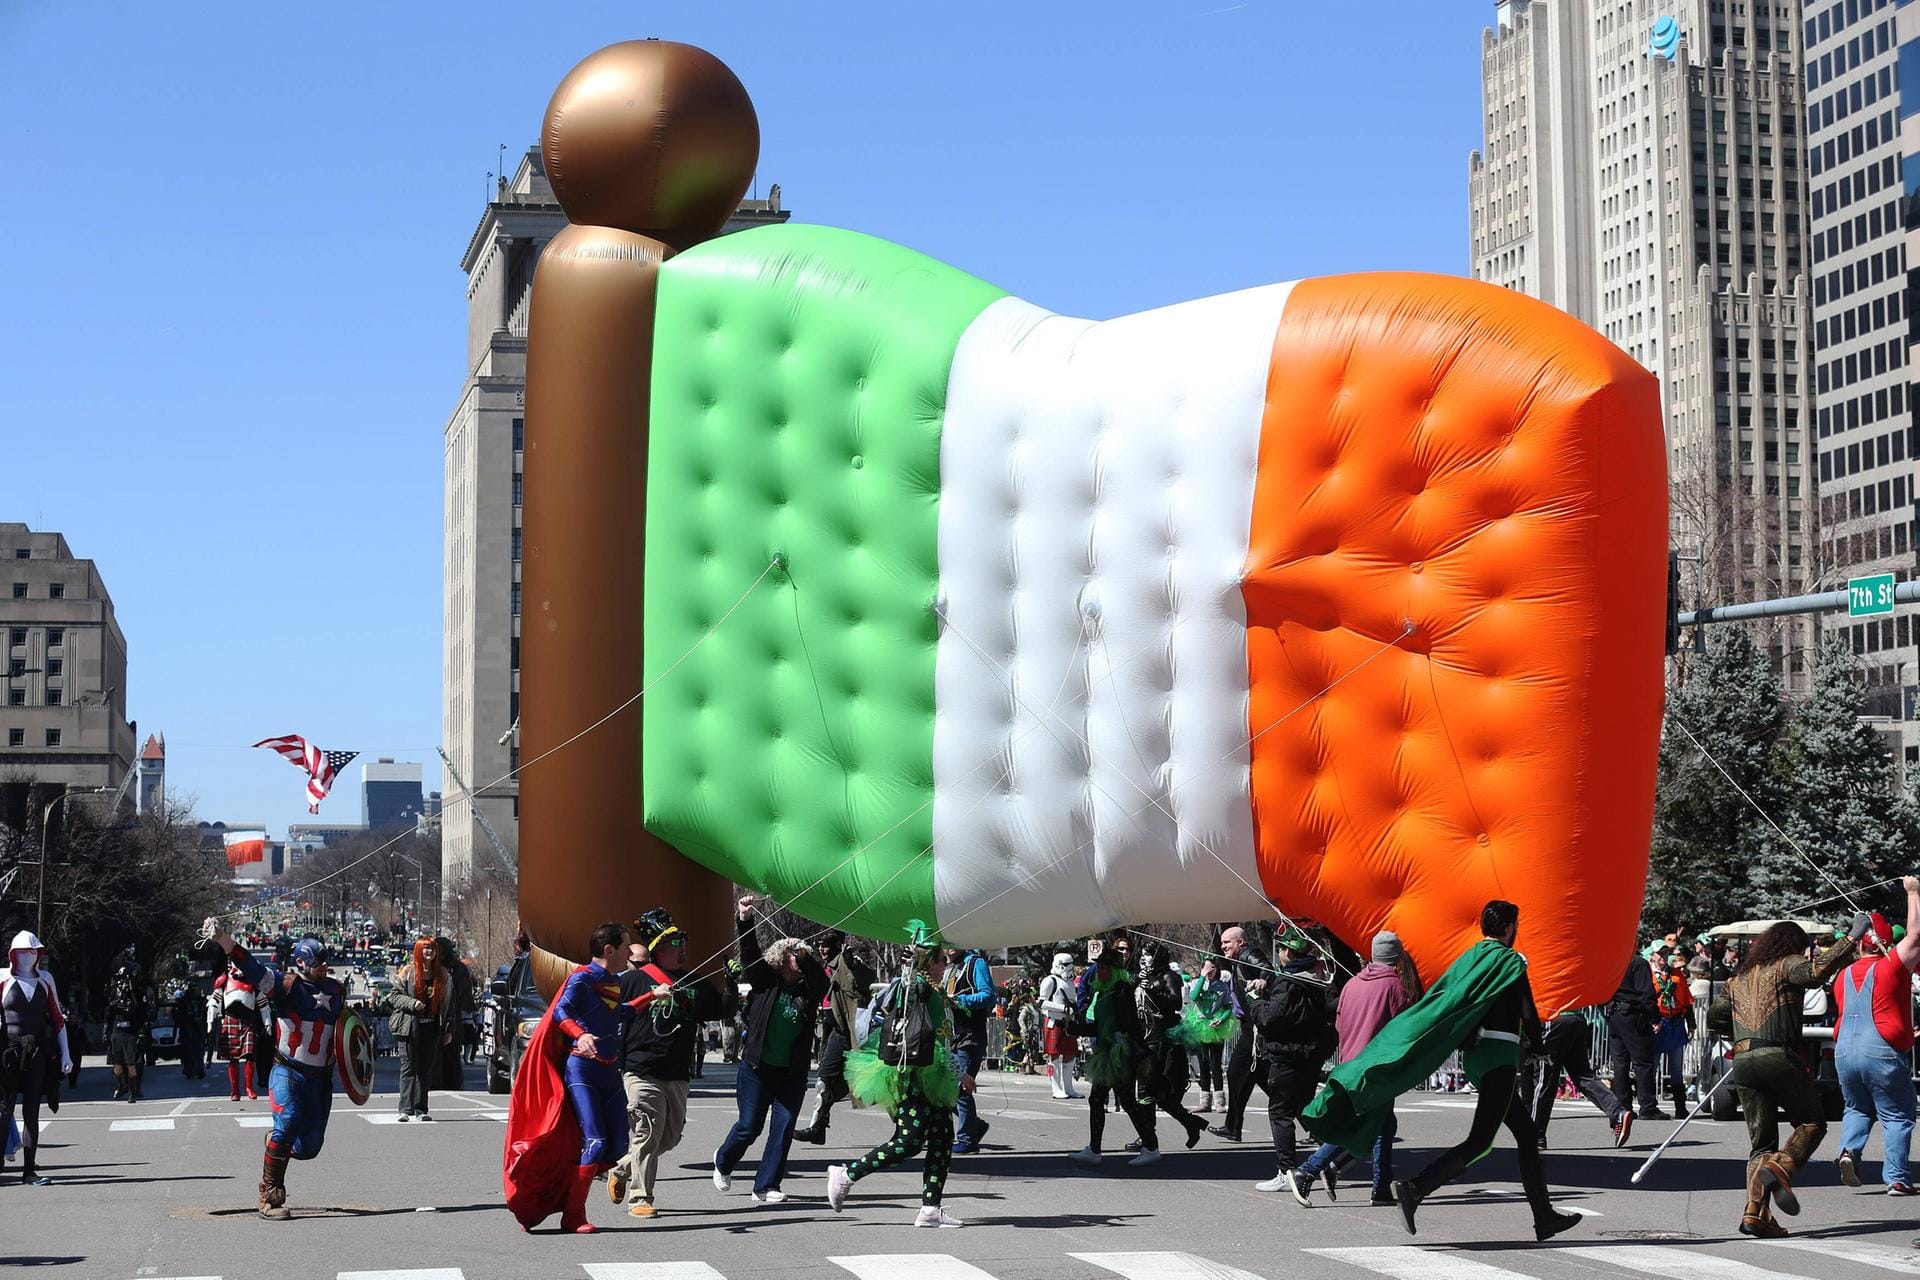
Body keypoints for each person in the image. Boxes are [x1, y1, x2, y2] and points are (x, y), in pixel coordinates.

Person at [1306, 900, 1579, 1242]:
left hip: (1479, 1057)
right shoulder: (1511, 961)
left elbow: (1452, 1001)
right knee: (1480, 1143)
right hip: (1500, 1058)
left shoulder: (1469, 959)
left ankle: (1544, 1216)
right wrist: (1539, 1049)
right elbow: (1527, 1011)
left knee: (1525, 1135)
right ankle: (1415, 1189)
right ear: (1510, 927)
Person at [1707, 913, 1869, 1238]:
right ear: (1793, 945)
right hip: (1777, 1056)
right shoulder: (1787, 964)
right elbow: (1815, 972)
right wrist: (1853, 936)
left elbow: (1713, 1018)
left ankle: (1755, 1214)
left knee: (1760, 1144)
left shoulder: (1738, 978)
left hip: (1743, 1060)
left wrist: (1740, 1032)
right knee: (1811, 1123)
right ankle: (1780, 1167)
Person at [503, 921, 665, 1233]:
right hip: (582, 1069)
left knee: (617, 1145)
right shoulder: (582, 978)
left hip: (608, 1068)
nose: (630, 953)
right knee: (596, 1140)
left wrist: (651, 997)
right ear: (609, 950)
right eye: (626, 947)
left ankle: (568, 1190)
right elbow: (561, 1011)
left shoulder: (611, 980)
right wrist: (581, 1036)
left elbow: (619, 1013)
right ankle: (574, 1215)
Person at [201, 921, 349, 1220]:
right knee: (288, 1121)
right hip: (289, 1071)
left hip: (320, 1079)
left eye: (325, 963)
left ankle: (276, 1145)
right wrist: (223, 939)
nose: (323, 967)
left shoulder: (335, 990)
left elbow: (349, 1033)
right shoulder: (285, 986)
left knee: (310, 1147)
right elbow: (253, 967)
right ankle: (270, 1193)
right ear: (301, 962)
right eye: (317, 963)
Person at [827, 929, 972, 1227]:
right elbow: (907, 996)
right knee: (909, 1141)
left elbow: (942, 1041)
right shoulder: (919, 983)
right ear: (929, 962)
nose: (946, 964)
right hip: (913, 1075)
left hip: (936, 1074)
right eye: (942, 960)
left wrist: (958, 1072)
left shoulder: (936, 987)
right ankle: (847, 1174)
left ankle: (931, 1208)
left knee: (943, 1139)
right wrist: (909, 966)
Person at [607, 908, 729, 1219]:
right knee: (647, 1134)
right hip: (641, 1069)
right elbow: (610, 1014)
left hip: (677, 1072)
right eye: (676, 944)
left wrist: (731, 981)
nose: (684, 949)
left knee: (670, 1137)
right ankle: (640, 1198)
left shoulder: (695, 982)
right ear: (659, 948)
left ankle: (621, 1169)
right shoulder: (633, 980)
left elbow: (721, 1011)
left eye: (684, 943)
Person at [1285, 930, 1417, 1207]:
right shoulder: (1393, 987)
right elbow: (1404, 1028)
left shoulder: (1354, 983)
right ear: (1396, 956)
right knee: (1361, 1124)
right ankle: (1307, 1170)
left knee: (1383, 1125)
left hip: (1349, 1063)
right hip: (1375, 1067)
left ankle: (1380, 1187)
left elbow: (1340, 1023)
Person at [713, 895, 829, 1203]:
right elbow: (750, 953)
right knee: (749, 1127)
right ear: (781, 958)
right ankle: (723, 1160)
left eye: (801, 955)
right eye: (793, 954)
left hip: (791, 1073)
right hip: (757, 1069)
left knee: (783, 1128)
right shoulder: (765, 982)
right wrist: (745, 918)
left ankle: (765, 1186)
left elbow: (821, 983)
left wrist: (805, 955)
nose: (798, 958)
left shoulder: (808, 990)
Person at [1832, 880, 1920, 1196]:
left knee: (1857, 1108)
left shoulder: (1842, 975)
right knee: (1897, 1114)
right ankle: (1896, 1178)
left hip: (1844, 1051)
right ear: (1883, 943)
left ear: (1860, 945)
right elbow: (1916, 935)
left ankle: (1848, 1151)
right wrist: (1912, 893)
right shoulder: (1891, 967)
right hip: (1880, 1050)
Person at [1247, 929, 1336, 1190]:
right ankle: (1328, 1158)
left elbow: (1270, 1020)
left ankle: (1286, 1171)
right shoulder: (1319, 980)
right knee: (1303, 1107)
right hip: (1311, 1052)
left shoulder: (1289, 983)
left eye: (1282, 949)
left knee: (1280, 1111)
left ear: (1287, 952)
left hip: (1289, 1054)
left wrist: (1255, 1000)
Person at [1069, 940, 1162, 1166]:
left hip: (1120, 1053)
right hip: (1108, 1051)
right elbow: (1102, 1025)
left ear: (1114, 969)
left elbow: (1128, 1023)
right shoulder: (1105, 991)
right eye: (1098, 967)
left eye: (1103, 968)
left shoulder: (1121, 990)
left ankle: (1149, 1146)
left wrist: (1125, 1046)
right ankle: (1097, 1149)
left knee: (1124, 1100)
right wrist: (1075, 1028)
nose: (1098, 972)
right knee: (1101, 1099)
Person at [1, 932, 73, 1185]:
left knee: (31, 1111)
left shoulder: (45, 979)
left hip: (36, 1052)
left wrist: (66, 1053)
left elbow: (57, 1018)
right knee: (3, 1110)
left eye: (33, 951)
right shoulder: (3, 979)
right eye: (23, 951)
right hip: (7, 1052)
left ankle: (29, 1171)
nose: (28, 955)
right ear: (13, 953)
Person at [794, 930, 873, 1146]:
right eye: (820, 944)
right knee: (824, 1081)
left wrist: (853, 966)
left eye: (827, 944)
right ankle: (817, 1129)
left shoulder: (849, 962)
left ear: (840, 944)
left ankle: (908, 1128)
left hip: (854, 1033)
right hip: (836, 1032)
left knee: (881, 1085)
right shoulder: (823, 968)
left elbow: (867, 981)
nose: (822, 948)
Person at [1132, 943, 1208, 1151]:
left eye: (1148, 955)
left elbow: (1175, 1003)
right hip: (1143, 1036)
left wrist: (1152, 990)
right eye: (1142, 954)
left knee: (1149, 1088)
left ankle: (1148, 1138)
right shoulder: (1141, 977)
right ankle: (1190, 1123)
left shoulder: (1168, 977)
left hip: (1162, 1038)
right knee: (1157, 1092)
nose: (1144, 958)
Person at [1529, 1006, 1630, 1149]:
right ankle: (1617, 1111)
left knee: (1544, 1079)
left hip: (1553, 1017)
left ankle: (1535, 1135)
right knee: (1583, 1075)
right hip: (1576, 1018)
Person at [1211, 925, 1271, 1142]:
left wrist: (1263, 979)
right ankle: (1233, 1127)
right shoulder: (1239, 960)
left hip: (1254, 1029)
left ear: (1240, 942)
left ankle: (1233, 1126)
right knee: (1257, 1079)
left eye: (1227, 942)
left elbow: (1266, 968)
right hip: (1250, 1026)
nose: (1223, 946)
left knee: (1238, 1073)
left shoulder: (1248, 954)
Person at [388, 936, 452, 1121]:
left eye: (432, 948)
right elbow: (393, 996)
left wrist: (447, 1030)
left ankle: (421, 1110)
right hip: (408, 1026)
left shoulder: (442, 974)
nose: (429, 952)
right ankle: (405, 1110)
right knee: (408, 1067)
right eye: (425, 948)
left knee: (424, 1069)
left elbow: (448, 1005)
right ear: (418, 951)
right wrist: (412, 1003)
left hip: (431, 1027)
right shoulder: (407, 972)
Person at [945, 944, 997, 1154]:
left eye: (952, 944)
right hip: (952, 1035)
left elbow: (988, 995)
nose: (948, 949)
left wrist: (959, 1000)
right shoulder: (948, 967)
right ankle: (974, 1126)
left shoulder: (975, 963)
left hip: (970, 1035)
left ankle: (967, 1139)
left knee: (960, 1087)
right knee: (946, 1088)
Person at [1607, 946, 1664, 1120]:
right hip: (1632, 1015)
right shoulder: (1638, 963)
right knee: (1642, 1062)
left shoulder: (1612, 962)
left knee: (1620, 1062)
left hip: (1614, 1013)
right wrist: (1654, 1017)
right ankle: (1647, 1106)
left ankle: (1624, 1106)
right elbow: (1646, 994)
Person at [1183, 958, 1234, 1112]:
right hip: (1200, 1025)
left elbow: (1228, 1007)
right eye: (1205, 967)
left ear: (1216, 969)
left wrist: (1221, 1019)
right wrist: (1202, 978)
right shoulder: (1198, 982)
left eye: (1211, 967)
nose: (1208, 970)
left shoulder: (1222, 986)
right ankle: (1204, 1102)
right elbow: (1193, 996)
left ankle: (1220, 1102)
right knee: (1203, 1064)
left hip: (1216, 1027)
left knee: (1215, 1064)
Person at [213, 960, 263, 1100]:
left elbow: (262, 1002)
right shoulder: (224, 980)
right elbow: (215, 1000)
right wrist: (210, 1019)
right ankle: (235, 1090)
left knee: (249, 1056)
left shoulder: (253, 980)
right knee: (232, 1058)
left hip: (249, 1019)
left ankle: (249, 1087)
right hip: (231, 1018)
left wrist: (267, 1022)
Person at [1653, 950, 1695, 1112]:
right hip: (1657, 1023)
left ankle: (1680, 1107)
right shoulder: (1649, 974)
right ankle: (1650, 1106)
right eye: (1659, 954)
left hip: (1675, 1022)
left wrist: (1691, 1023)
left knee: (1676, 1068)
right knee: (1653, 1066)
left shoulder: (1678, 975)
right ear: (1653, 956)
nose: (1662, 958)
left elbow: (1687, 1001)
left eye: (1665, 954)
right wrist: (1652, 1020)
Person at [104, 955, 150, 1103]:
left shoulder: (138, 993)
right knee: (117, 1063)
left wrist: (142, 1032)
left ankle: (133, 1090)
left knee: (132, 1063)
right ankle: (121, 1085)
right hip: (117, 1031)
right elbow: (108, 1012)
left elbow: (144, 1013)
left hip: (131, 1032)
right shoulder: (114, 992)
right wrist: (106, 1031)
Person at [1039, 952, 1083, 1100]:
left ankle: (1068, 1088)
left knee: (1070, 1055)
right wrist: (1062, 1009)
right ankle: (1056, 1088)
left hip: (1068, 1023)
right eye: (1064, 965)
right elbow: (1041, 1003)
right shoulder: (1050, 981)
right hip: (1054, 1021)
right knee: (1054, 1056)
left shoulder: (1070, 982)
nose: (1067, 968)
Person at [174, 980, 208, 1080]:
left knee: (199, 1051)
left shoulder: (201, 1001)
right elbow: (180, 1015)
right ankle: (189, 1070)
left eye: (195, 988)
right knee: (188, 1052)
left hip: (198, 1030)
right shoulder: (184, 1001)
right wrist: (191, 1019)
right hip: (187, 1030)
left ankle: (199, 1070)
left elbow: (205, 1013)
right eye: (192, 988)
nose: (194, 991)